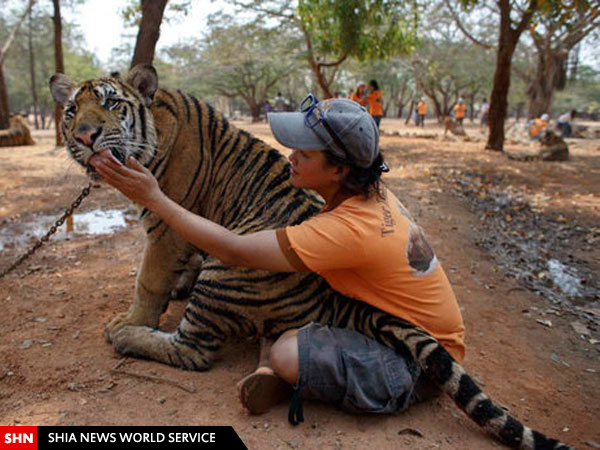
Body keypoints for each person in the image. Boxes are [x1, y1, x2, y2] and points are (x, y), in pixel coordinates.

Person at [89, 94, 465, 420]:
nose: (290, 156)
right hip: (390, 324)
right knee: (288, 315)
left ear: (339, 169)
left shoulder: (345, 230)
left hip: (416, 361)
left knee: (287, 354)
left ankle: (210, 353)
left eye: (304, 152)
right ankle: (276, 365)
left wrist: (155, 198)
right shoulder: (368, 192)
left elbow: (233, 251)